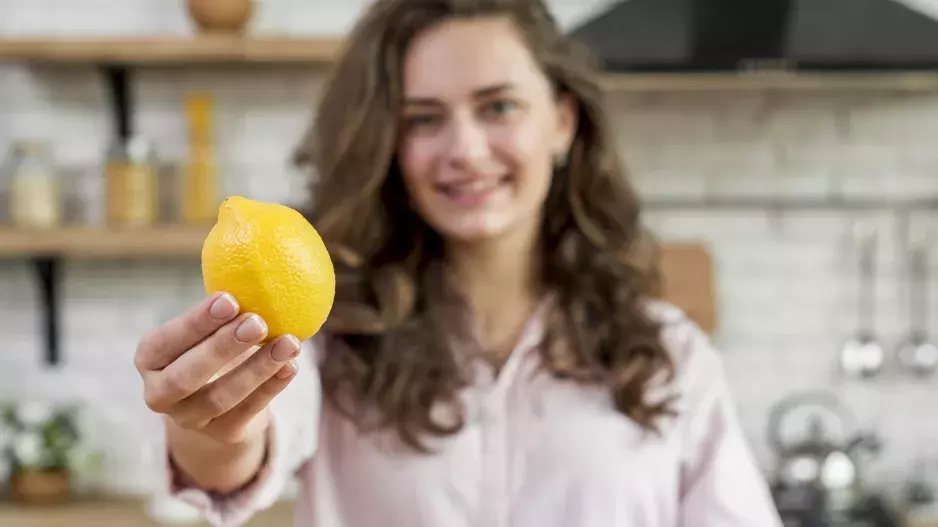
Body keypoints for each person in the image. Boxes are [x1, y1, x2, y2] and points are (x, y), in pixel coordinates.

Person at [135, 0, 784, 526]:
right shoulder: (332, 336)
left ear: (561, 121)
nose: (465, 150)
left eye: (498, 107)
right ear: (389, 143)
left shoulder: (669, 355)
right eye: (424, 119)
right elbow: (238, 454)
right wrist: (216, 422)